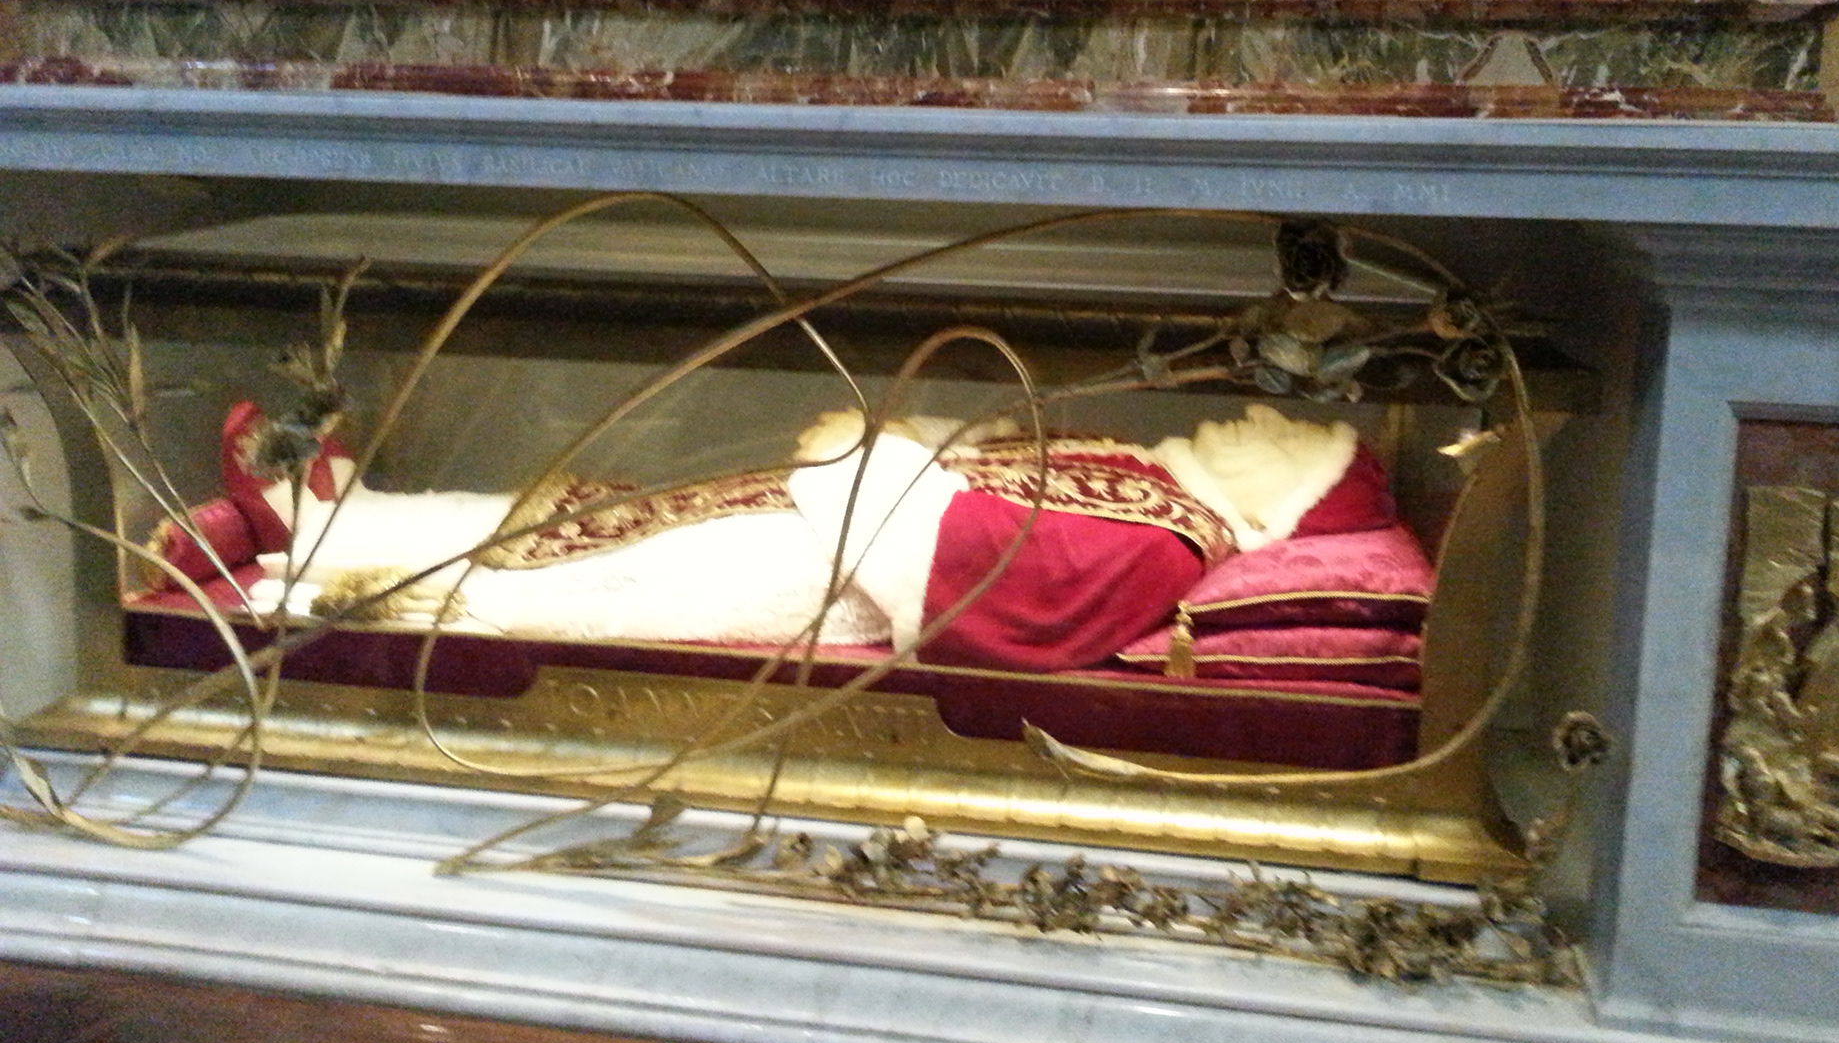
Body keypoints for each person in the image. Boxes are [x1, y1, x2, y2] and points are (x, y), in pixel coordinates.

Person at [151, 400, 1392, 674]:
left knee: (572, 565)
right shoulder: (1149, 483)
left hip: (804, 572)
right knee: (577, 516)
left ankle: (309, 562)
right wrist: (918, 438)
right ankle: (327, 516)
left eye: (1297, 426)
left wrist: (872, 453)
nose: (1263, 407)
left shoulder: (1161, 540)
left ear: (1296, 489)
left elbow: (984, 596)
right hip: (800, 528)